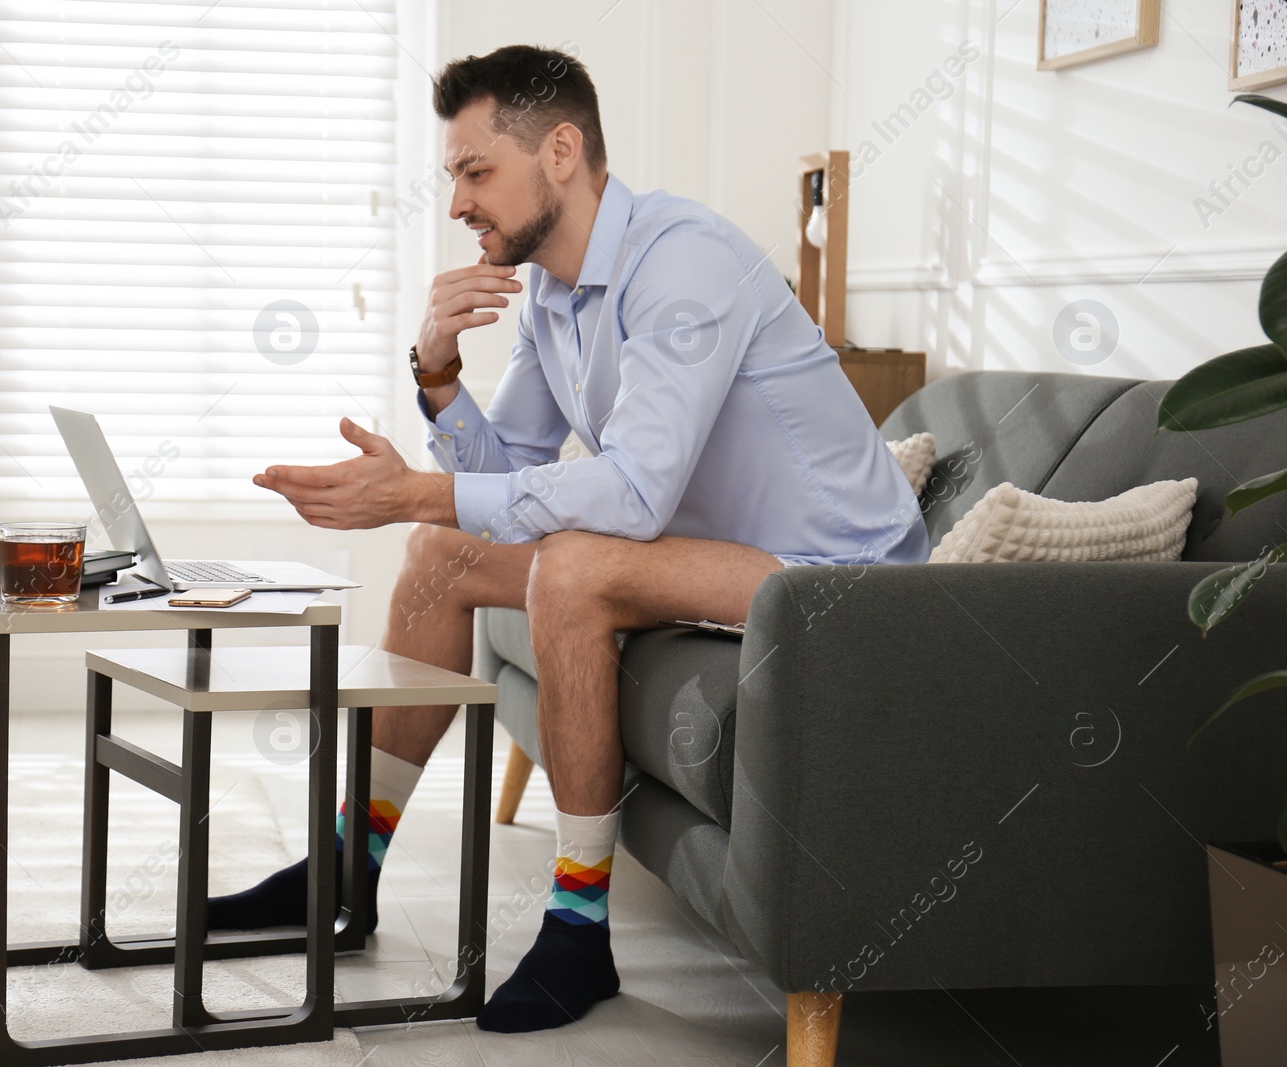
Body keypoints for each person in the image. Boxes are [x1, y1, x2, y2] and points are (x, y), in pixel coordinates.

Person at [212, 43, 931, 1034]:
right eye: (455, 175)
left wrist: (420, 487)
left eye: (475, 171)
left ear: (559, 150)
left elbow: (629, 497)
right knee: (437, 556)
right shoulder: (555, 289)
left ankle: (578, 923)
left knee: (574, 564)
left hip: (842, 582)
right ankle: (347, 865)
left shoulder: (685, 263)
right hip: (714, 555)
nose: (459, 200)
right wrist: (433, 370)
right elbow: (508, 469)